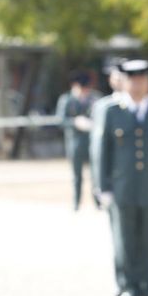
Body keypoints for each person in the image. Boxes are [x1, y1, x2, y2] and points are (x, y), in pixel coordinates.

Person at [93, 59, 148, 296]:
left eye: (143, 80)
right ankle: (128, 289)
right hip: (122, 186)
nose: (138, 85)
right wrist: (103, 186)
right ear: (125, 82)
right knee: (125, 241)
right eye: (133, 80)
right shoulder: (112, 110)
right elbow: (102, 151)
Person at [55, 71, 100, 210]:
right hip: (74, 142)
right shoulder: (67, 100)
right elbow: (60, 120)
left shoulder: (94, 99)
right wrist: (75, 122)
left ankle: (98, 202)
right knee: (76, 175)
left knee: (96, 174)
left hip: (92, 141)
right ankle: (76, 202)